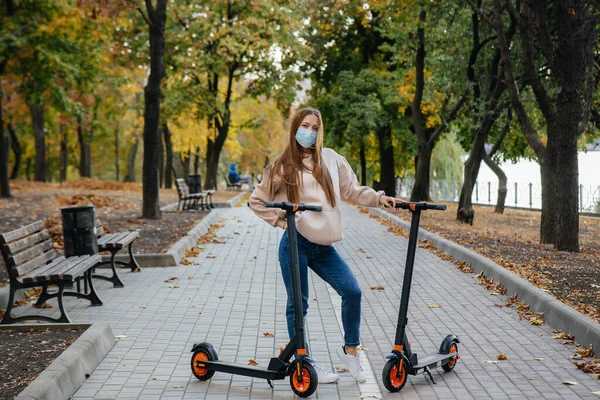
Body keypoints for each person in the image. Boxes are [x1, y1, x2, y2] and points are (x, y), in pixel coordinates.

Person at [249, 107, 403, 384]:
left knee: (352, 292)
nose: (310, 131)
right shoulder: (282, 165)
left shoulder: (331, 159)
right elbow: (257, 201)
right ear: (295, 128)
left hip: (323, 247)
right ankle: (303, 360)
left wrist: (380, 199)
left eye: (315, 127)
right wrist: (283, 222)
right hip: (296, 243)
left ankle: (351, 352)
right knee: (299, 305)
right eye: (305, 125)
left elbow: (353, 191)